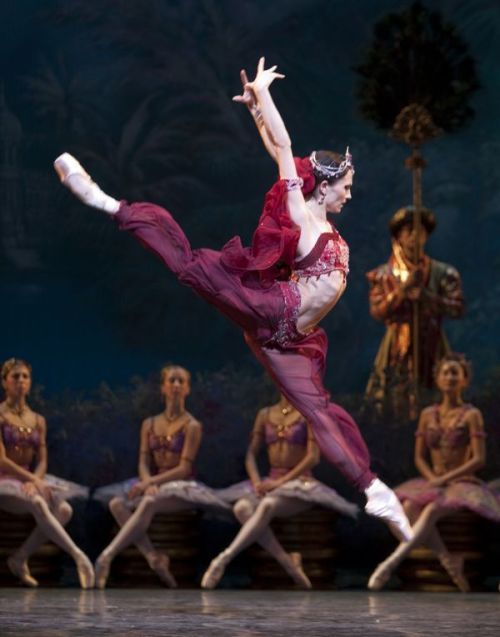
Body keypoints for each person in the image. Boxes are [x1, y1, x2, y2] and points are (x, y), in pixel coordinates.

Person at [53, 58, 412, 541]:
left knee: (319, 410)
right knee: (188, 267)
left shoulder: (324, 224)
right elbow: (284, 149)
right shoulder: (302, 216)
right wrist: (265, 96)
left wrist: (256, 113)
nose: (350, 194)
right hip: (270, 307)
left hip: (285, 339)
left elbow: (274, 146)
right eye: (345, 187)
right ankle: (108, 203)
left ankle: (374, 490)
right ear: (323, 186)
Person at [368, 353, 500, 592]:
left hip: (460, 482)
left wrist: (445, 479)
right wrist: (432, 478)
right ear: (437, 379)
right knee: (401, 510)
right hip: (433, 479)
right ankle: (448, 561)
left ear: (464, 380)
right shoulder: (428, 414)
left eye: (455, 373)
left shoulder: (472, 414)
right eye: (445, 372)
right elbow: (419, 456)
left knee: (430, 509)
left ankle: (389, 564)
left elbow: (479, 458)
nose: (450, 377)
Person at [92, 365, 229, 589]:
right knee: (117, 503)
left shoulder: (192, 425)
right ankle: (153, 558)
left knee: (148, 501)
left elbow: (184, 469)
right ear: (163, 388)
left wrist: (150, 484)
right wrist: (147, 481)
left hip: (181, 487)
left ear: (188, 389)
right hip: (154, 482)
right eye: (172, 381)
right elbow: (144, 462)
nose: (176, 385)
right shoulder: (149, 423)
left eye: (181, 382)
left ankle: (106, 557)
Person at [201, 394, 358, 589]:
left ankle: (223, 559)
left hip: (299, 484)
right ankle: (287, 561)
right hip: (271, 481)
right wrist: (257, 481)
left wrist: (280, 483)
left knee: (268, 504)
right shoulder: (265, 414)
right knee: (241, 508)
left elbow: (313, 457)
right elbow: (251, 454)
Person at [0, 358, 94, 588]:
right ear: (5, 382)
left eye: (25, 377)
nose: (21, 381)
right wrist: (32, 481)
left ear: (30, 383)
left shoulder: (38, 420)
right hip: (4, 480)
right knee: (39, 504)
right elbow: (1, 460)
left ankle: (20, 557)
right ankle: (79, 557)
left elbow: (41, 459)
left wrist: (37, 480)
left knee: (64, 510)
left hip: (29, 479)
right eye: (15, 376)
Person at [365, 206, 464, 419]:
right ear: (398, 236)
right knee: (391, 401)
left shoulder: (444, 272)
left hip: (433, 341)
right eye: (408, 230)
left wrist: (428, 297)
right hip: (396, 344)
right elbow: (377, 312)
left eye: (420, 231)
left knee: (439, 401)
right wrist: (402, 291)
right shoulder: (382, 275)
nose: (414, 236)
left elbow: (457, 308)